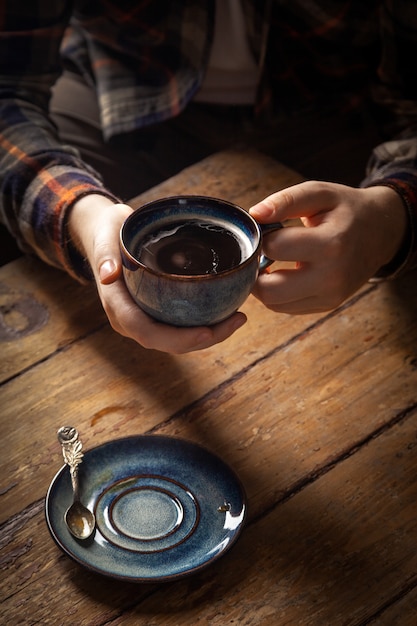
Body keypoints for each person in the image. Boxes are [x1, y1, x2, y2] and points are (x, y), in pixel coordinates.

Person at [1, 0, 416, 354]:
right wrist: (82, 215)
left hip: (332, 113)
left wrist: (391, 215)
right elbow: (8, 89)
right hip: (117, 93)